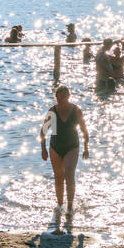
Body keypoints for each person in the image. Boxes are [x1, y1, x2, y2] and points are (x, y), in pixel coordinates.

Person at [39, 85, 89, 218]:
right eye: (60, 97)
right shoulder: (52, 111)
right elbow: (43, 131)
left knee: (69, 173)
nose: (63, 100)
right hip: (55, 146)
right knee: (58, 176)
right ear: (56, 98)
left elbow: (84, 129)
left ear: (68, 96)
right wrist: (43, 149)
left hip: (72, 146)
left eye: (65, 97)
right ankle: (60, 205)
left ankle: (70, 207)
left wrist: (86, 147)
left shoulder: (76, 110)